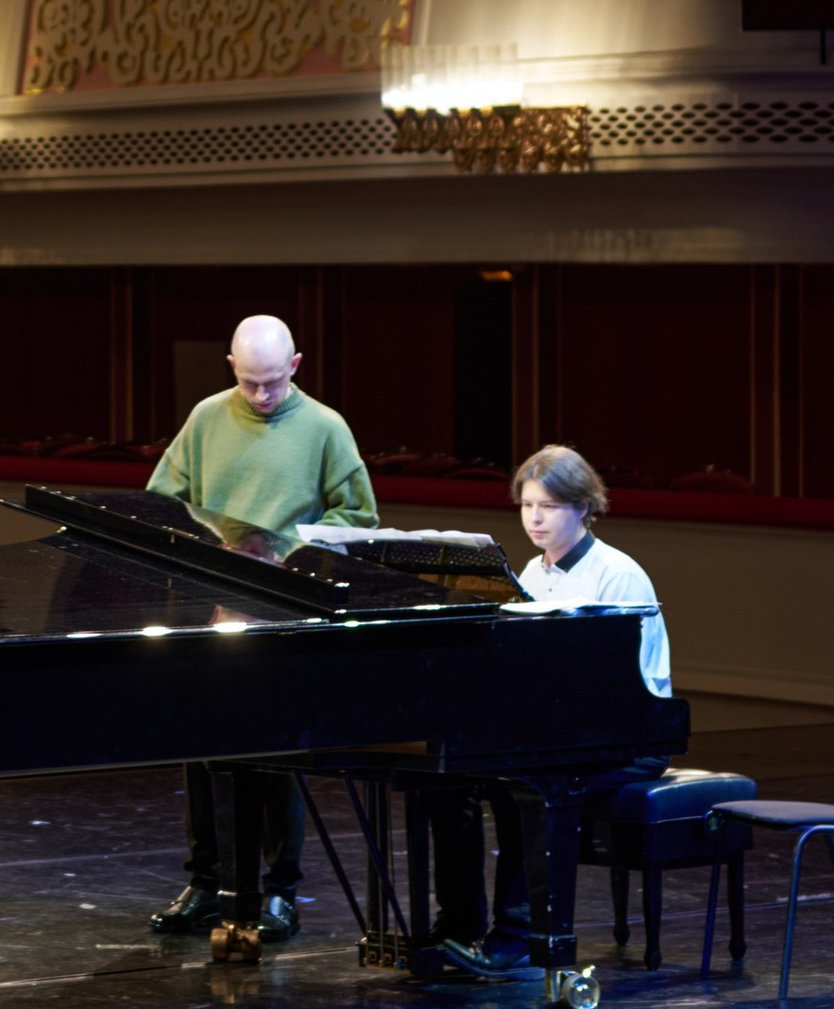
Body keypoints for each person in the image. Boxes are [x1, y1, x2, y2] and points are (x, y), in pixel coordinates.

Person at [143, 313, 375, 942]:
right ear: (231, 370)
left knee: (276, 757)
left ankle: (279, 891)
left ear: (295, 367)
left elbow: (357, 517)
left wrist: (277, 553)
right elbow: (163, 502)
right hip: (211, 608)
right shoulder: (206, 417)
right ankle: (207, 882)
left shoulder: (326, 428)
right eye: (248, 383)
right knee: (200, 751)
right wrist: (214, 565)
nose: (261, 396)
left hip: (283, 613)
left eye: (272, 382)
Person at [431, 443, 671, 960]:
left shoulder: (617, 575)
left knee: (531, 787)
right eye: (526, 505)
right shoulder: (532, 573)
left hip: (630, 737)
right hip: (559, 731)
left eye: (550, 506)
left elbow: (620, 687)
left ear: (583, 507)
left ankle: (522, 938)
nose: (534, 518)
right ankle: (459, 923)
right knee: (452, 786)